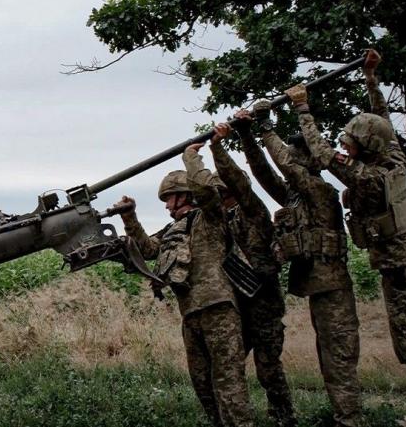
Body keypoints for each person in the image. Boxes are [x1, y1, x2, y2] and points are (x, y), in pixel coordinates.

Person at [286, 49, 406, 427]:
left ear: (367, 147)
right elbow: (383, 118)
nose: (346, 145)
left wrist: (302, 108)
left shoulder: (369, 177)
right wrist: (371, 77)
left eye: (351, 142)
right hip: (401, 271)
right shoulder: (393, 157)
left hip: (404, 277)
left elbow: (322, 153)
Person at [232, 104, 361, 427]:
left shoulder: (319, 191)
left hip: (332, 287)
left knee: (338, 358)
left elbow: (287, 168)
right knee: (329, 357)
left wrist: (265, 126)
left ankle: (350, 419)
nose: (289, 156)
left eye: (294, 154)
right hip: (317, 285)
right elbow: (264, 174)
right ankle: (343, 416)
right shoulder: (295, 196)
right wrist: (246, 136)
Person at [115, 143, 253, 427]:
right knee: (202, 382)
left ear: (185, 195)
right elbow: (148, 249)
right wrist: (129, 217)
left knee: (228, 381)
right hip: (190, 314)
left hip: (218, 308)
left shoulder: (210, 218)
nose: (166, 205)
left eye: (169, 198)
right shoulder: (172, 229)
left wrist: (191, 157)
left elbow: (206, 191)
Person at [209, 122, 296, 427]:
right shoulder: (219, 222)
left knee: (268, 369)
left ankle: (284, 418)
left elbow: (239, 184)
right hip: (237, 305)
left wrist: (217, 148)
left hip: (264, 304)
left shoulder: (254, 212)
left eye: (222, 192)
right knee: (228, 367)